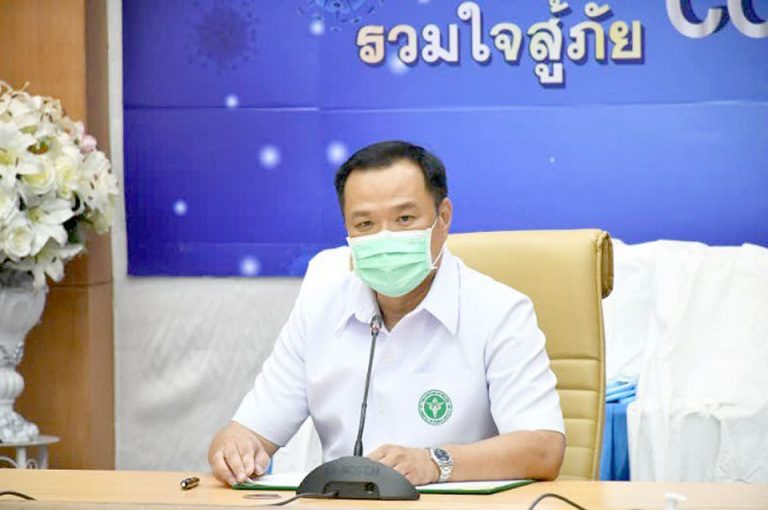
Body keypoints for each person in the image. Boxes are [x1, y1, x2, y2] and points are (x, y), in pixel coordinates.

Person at [208, 141, 565, 486]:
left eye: (404, 218)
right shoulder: (318, 310)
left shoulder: (499, 311)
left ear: (443, 217)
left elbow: (543, 450)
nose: (385, 238)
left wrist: (433, 463)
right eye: (365, 225)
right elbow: (249, 431)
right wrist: (234, 449)